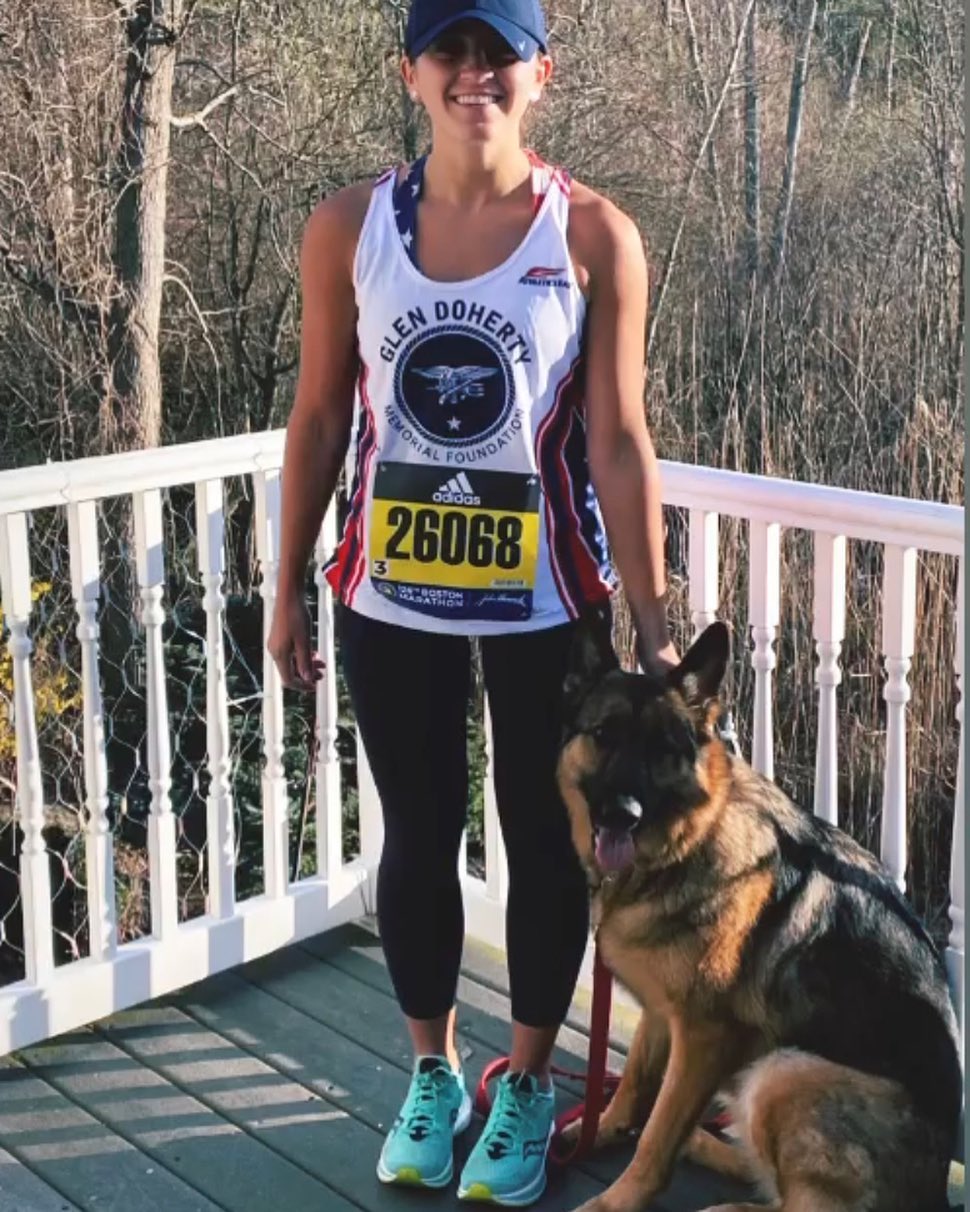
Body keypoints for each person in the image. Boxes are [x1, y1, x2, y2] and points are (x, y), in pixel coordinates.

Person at [267, 0, 677, 1204]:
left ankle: (529, 1085)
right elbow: (318, 418)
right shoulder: (348, 228)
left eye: (498, 51)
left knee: (546, 846)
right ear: (410, 72)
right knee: (417, 831)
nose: (473, 73)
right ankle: (433, 1074)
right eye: (450, 50)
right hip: (390, 597)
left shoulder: (593, 236)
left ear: (541, 72)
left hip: (547, 608)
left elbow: (619, 441)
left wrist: (655, 625)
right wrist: (285, 584)